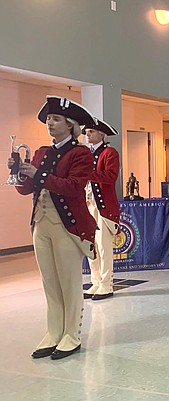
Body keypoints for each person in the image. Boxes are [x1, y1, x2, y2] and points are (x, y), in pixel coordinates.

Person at [8, 96, 97, 360]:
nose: (50, 123)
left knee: (69, 284)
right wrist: (19, 173)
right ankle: (54, 331)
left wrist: (40, 175)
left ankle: (72, 334)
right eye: (49, 119)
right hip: (41, 224)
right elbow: (26, 190)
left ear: (70, 125)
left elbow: (73, 187)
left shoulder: (80, 153)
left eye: (56, 119)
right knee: (50, 283)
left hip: (66, 227)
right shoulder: (42, 153)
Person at [83, 118, 120, 300]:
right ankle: (95, 282)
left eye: (91, 132)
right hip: (88, 204)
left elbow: (110, 177)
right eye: (87, 132)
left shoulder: (109, 153)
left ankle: (106, 284)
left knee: (104, 246)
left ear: (101, 135)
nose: (87, 135)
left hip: (104, 207)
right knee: (91, 246)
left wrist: (87, 173)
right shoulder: (84, 153)